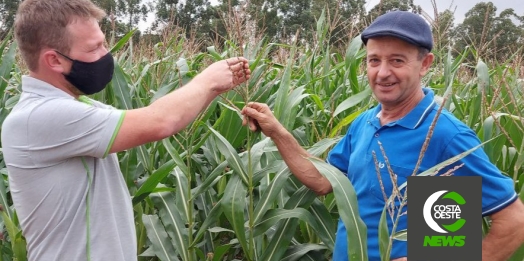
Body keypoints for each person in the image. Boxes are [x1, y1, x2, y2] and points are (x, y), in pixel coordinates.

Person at [241, 10, 524, 261]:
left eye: (397, 61)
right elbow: (324, 181)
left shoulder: (444, 136)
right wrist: (277, 131)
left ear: (425, 64)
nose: (383, 72)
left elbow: (514, 221)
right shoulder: (365, 122)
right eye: (374, 60)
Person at [1, 0, 250, 260]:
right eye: (94, 47)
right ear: (54, 60)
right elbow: (160, 122)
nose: (106, 54)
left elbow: (153, 117)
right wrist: (207, 80)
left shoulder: (77, 106)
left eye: (104, 43)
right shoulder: (38, 117)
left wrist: (214, 89)